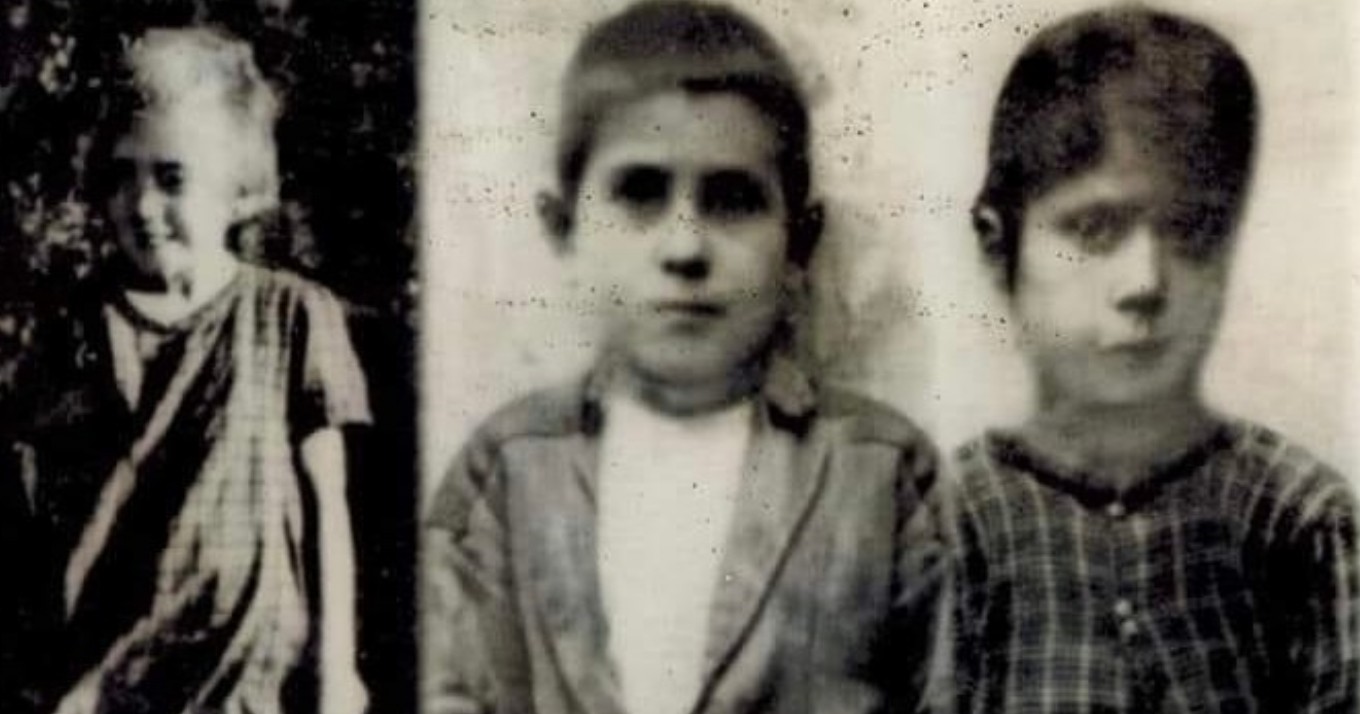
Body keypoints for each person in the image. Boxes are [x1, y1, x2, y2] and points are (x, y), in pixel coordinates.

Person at [423, 2, 948, 713]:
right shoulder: (506, 471)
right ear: (564, 227)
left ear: (800, 240)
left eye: (733, 199)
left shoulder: (882, 472)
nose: (685, 248)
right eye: (640, 193)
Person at [947, 7, 1359, 713]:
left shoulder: (1299, 522)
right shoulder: (950, 526)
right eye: (1094, 228)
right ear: (997, 246)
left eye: (1193, 228)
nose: (1146, 283)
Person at [10, 26, 370, 714]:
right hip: (109, 684)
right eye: (123, 175)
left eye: (172, 178)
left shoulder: (291, 315)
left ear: (237, 189)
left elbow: (328, 503)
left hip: (249, 681)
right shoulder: (77, 328)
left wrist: (337, 670)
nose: (143, 205)